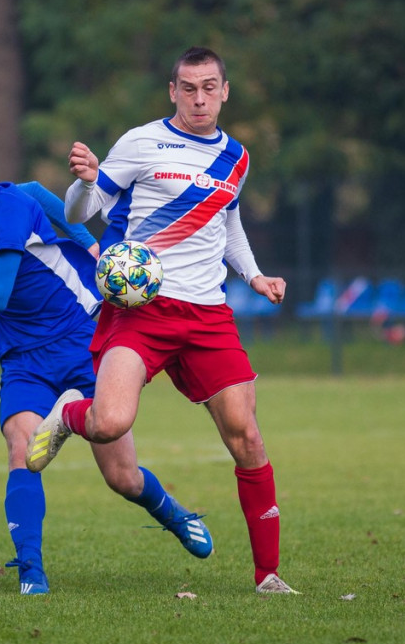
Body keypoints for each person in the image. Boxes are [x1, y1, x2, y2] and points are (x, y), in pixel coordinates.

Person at [0, 125, 214, 595]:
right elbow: (37, 190)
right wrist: (85, 239)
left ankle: (176, 516)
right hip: (23, 357)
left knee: (123, 477)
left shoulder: (5, 208)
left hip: (81, 339)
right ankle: (31, 573)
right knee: (20, 449)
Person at [25, 46, 297, 594]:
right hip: (140, 310)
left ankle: (268, 576)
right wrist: (86, 181)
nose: (199, 99)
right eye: (188, 88)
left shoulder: (236, 158)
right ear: (173, 91)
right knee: (110, 423)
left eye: (209, 88)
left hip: (209, 315)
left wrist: (254, 276)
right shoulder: (141, 142)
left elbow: (229, 224)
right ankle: (70, 416)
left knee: (247, 437)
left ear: (225, 92)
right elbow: (80, 212)